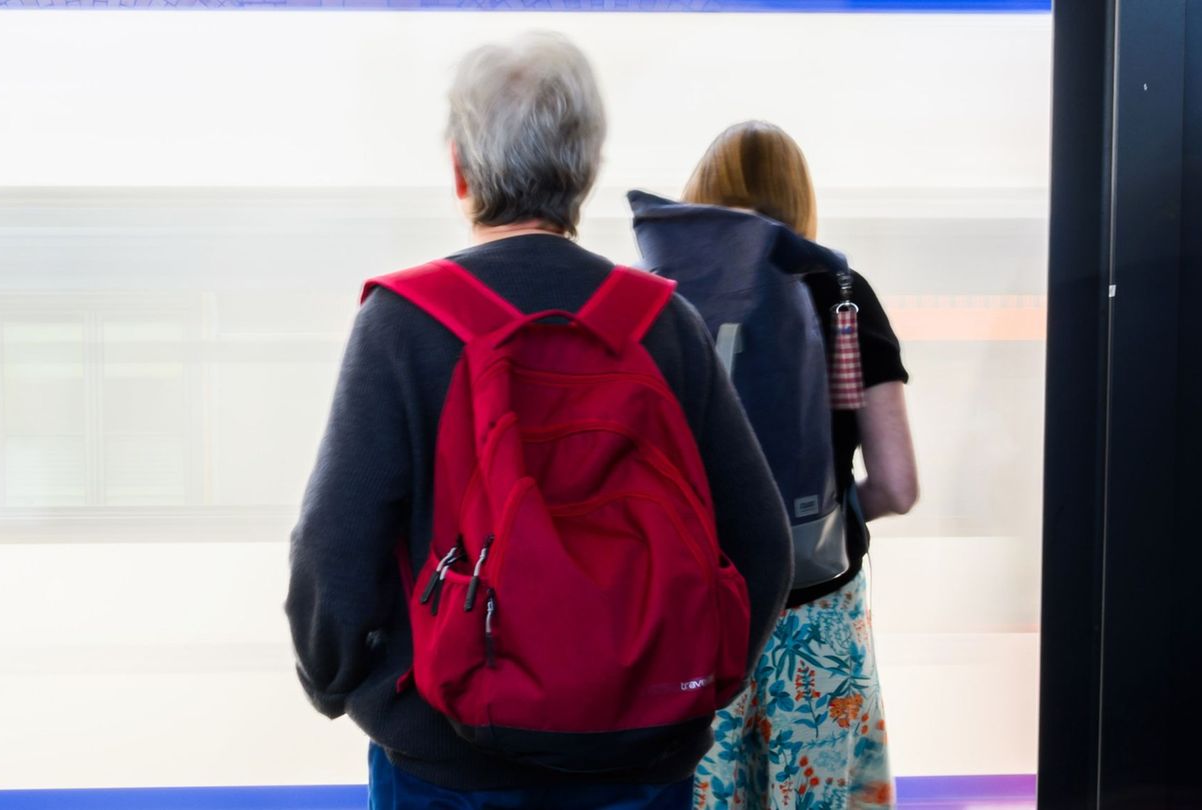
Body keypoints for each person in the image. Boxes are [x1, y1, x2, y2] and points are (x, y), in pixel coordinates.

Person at [286, 34, 793, 809]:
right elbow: (762, 544)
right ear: (586, 171)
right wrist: (682, 681)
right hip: (641, 761)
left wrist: (359, 691)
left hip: (447, 757)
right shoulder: (663, 323)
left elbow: (333, 548)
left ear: (459, 169)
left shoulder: (404, 322)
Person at [680, 121, 919, 809]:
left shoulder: (674, 303)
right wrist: (824, 513)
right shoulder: (843, 299)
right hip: (818, 620)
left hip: (706, 621)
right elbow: (898, 487)